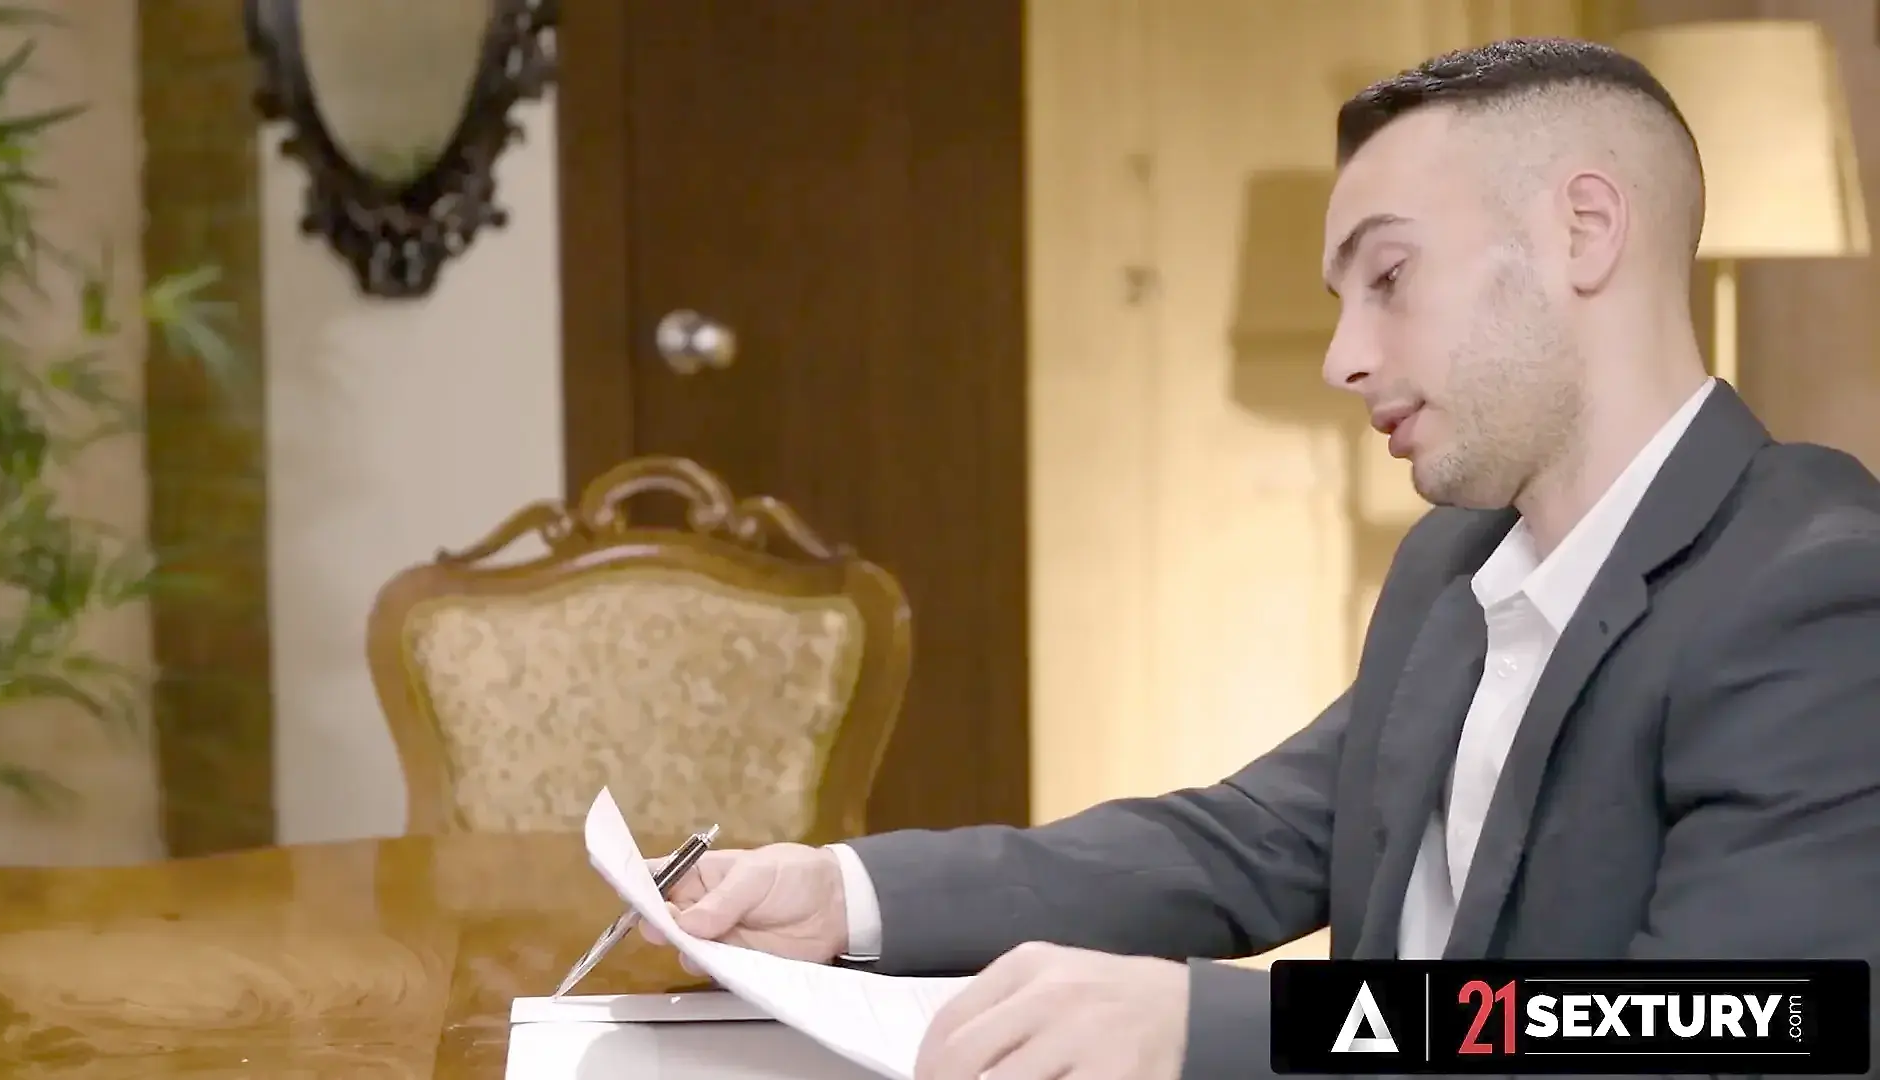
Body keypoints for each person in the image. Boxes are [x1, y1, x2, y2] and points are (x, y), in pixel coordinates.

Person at [641, 37, 1880, 1080]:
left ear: (1585, 230)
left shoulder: (1815, 586)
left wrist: (1219, 1027)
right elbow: (1243, 843)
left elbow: (1736, 1025)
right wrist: (847, 895)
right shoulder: (1454, 568)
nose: (1343, 357)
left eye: (1389, 276)